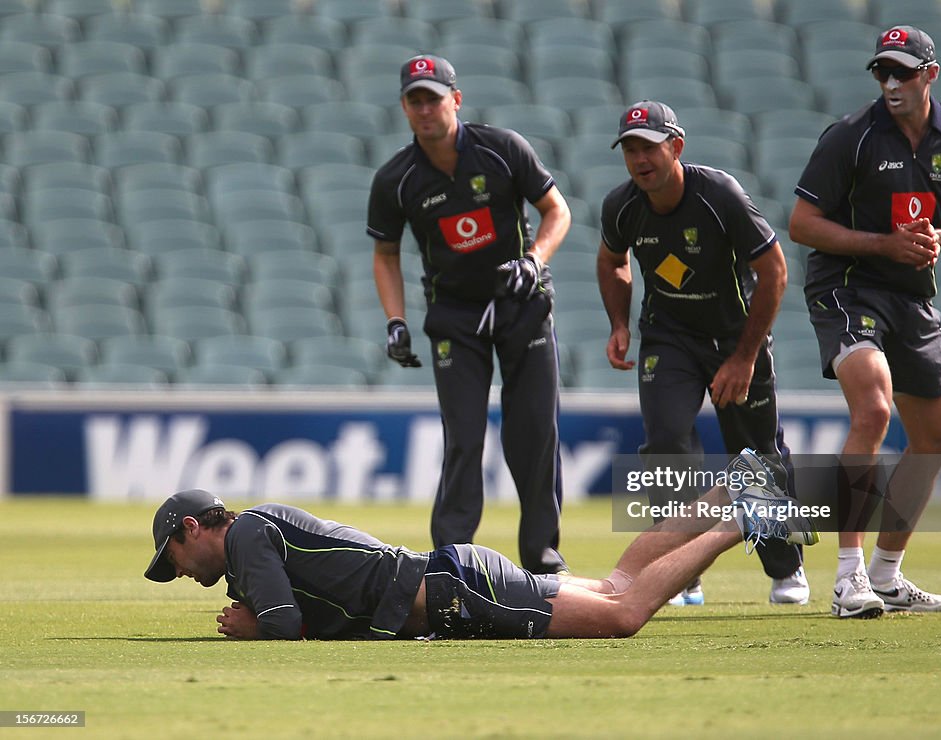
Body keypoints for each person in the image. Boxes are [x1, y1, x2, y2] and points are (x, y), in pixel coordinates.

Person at [144, 450, 820, 640]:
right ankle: (736, 486)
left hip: (458, 593)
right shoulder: (256, 537)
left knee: (623, 614)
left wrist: (253, 628)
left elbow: (286, 623)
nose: (173, 574)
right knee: (616, 586)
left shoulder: (250, 536)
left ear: (192, 529)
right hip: (454, 581)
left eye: (169, 560)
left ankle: (742, 519)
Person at [788, 26, 941, 618]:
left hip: (912, 295)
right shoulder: (851, 137)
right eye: (882, 72)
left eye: (902, 72)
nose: (891, 83)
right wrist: (883, 245)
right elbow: (802, 223)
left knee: (935, 440)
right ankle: (846, 580)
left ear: (930, 74)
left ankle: (886, 576)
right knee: (875, 411)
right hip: (846, 286)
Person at [596, 100, 809, 606]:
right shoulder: (621, 205)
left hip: (736, 338)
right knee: (666, 442)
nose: (639, 158)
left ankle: (785, 568)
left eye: (648, 146)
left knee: (754, 455)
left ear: (676, 147)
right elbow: (612, 261)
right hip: (668, 338)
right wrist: (620, 324)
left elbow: (775, 272)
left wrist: (743, 357)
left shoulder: (720, 195)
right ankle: (679, 573)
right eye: (630, 149)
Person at [366, 55, 572, 574]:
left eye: (433, 98)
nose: (424, 109)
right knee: (463, 436)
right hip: (454, 317)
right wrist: (396, 320)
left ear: (455, 100)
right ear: (404, 107)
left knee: (533, 435)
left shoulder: (503, 150)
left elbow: (557, 210)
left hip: (522, 304)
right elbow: (385, 254)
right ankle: (450, 561)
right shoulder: (396, 179)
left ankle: (543, 560)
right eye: (414, 100)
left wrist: (535, 259)